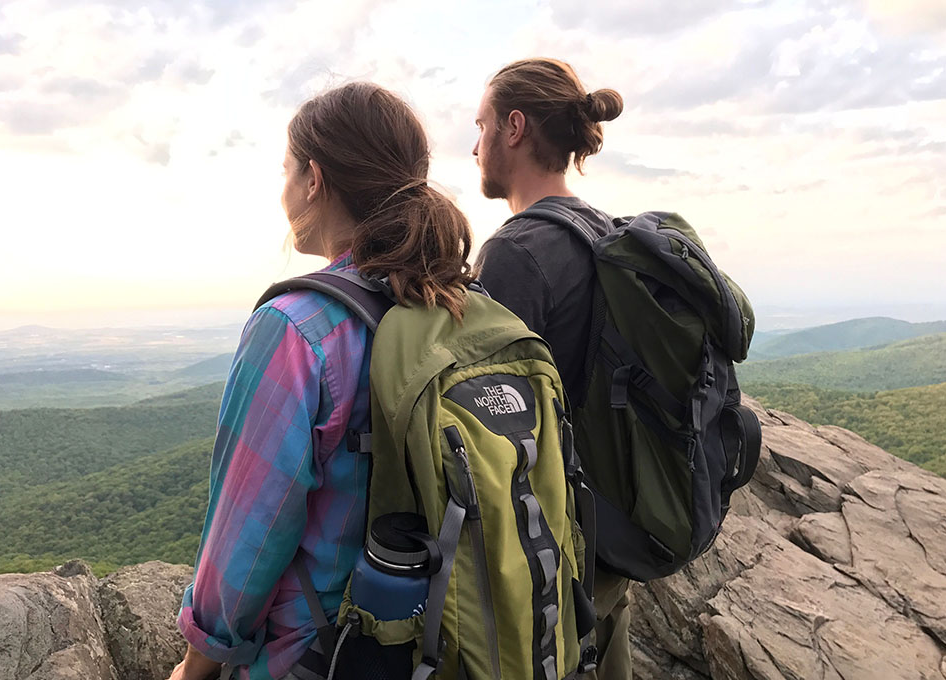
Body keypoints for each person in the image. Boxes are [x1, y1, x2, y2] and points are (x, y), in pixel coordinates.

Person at [169, 82, 476, 680]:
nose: (284, 188)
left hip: (322, 651)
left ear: (314, 178)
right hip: (440, 634)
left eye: (286, 171)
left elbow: (248, 536)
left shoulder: (297, 328)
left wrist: (195, 664)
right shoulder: (458, 304)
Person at [472, 58, 631, 680]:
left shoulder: (515, 253)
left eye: (481, 127)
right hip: (611, 529)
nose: (475, 147)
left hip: (555, 553)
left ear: (513, 128)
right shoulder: (603, 231)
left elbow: (482, 424)